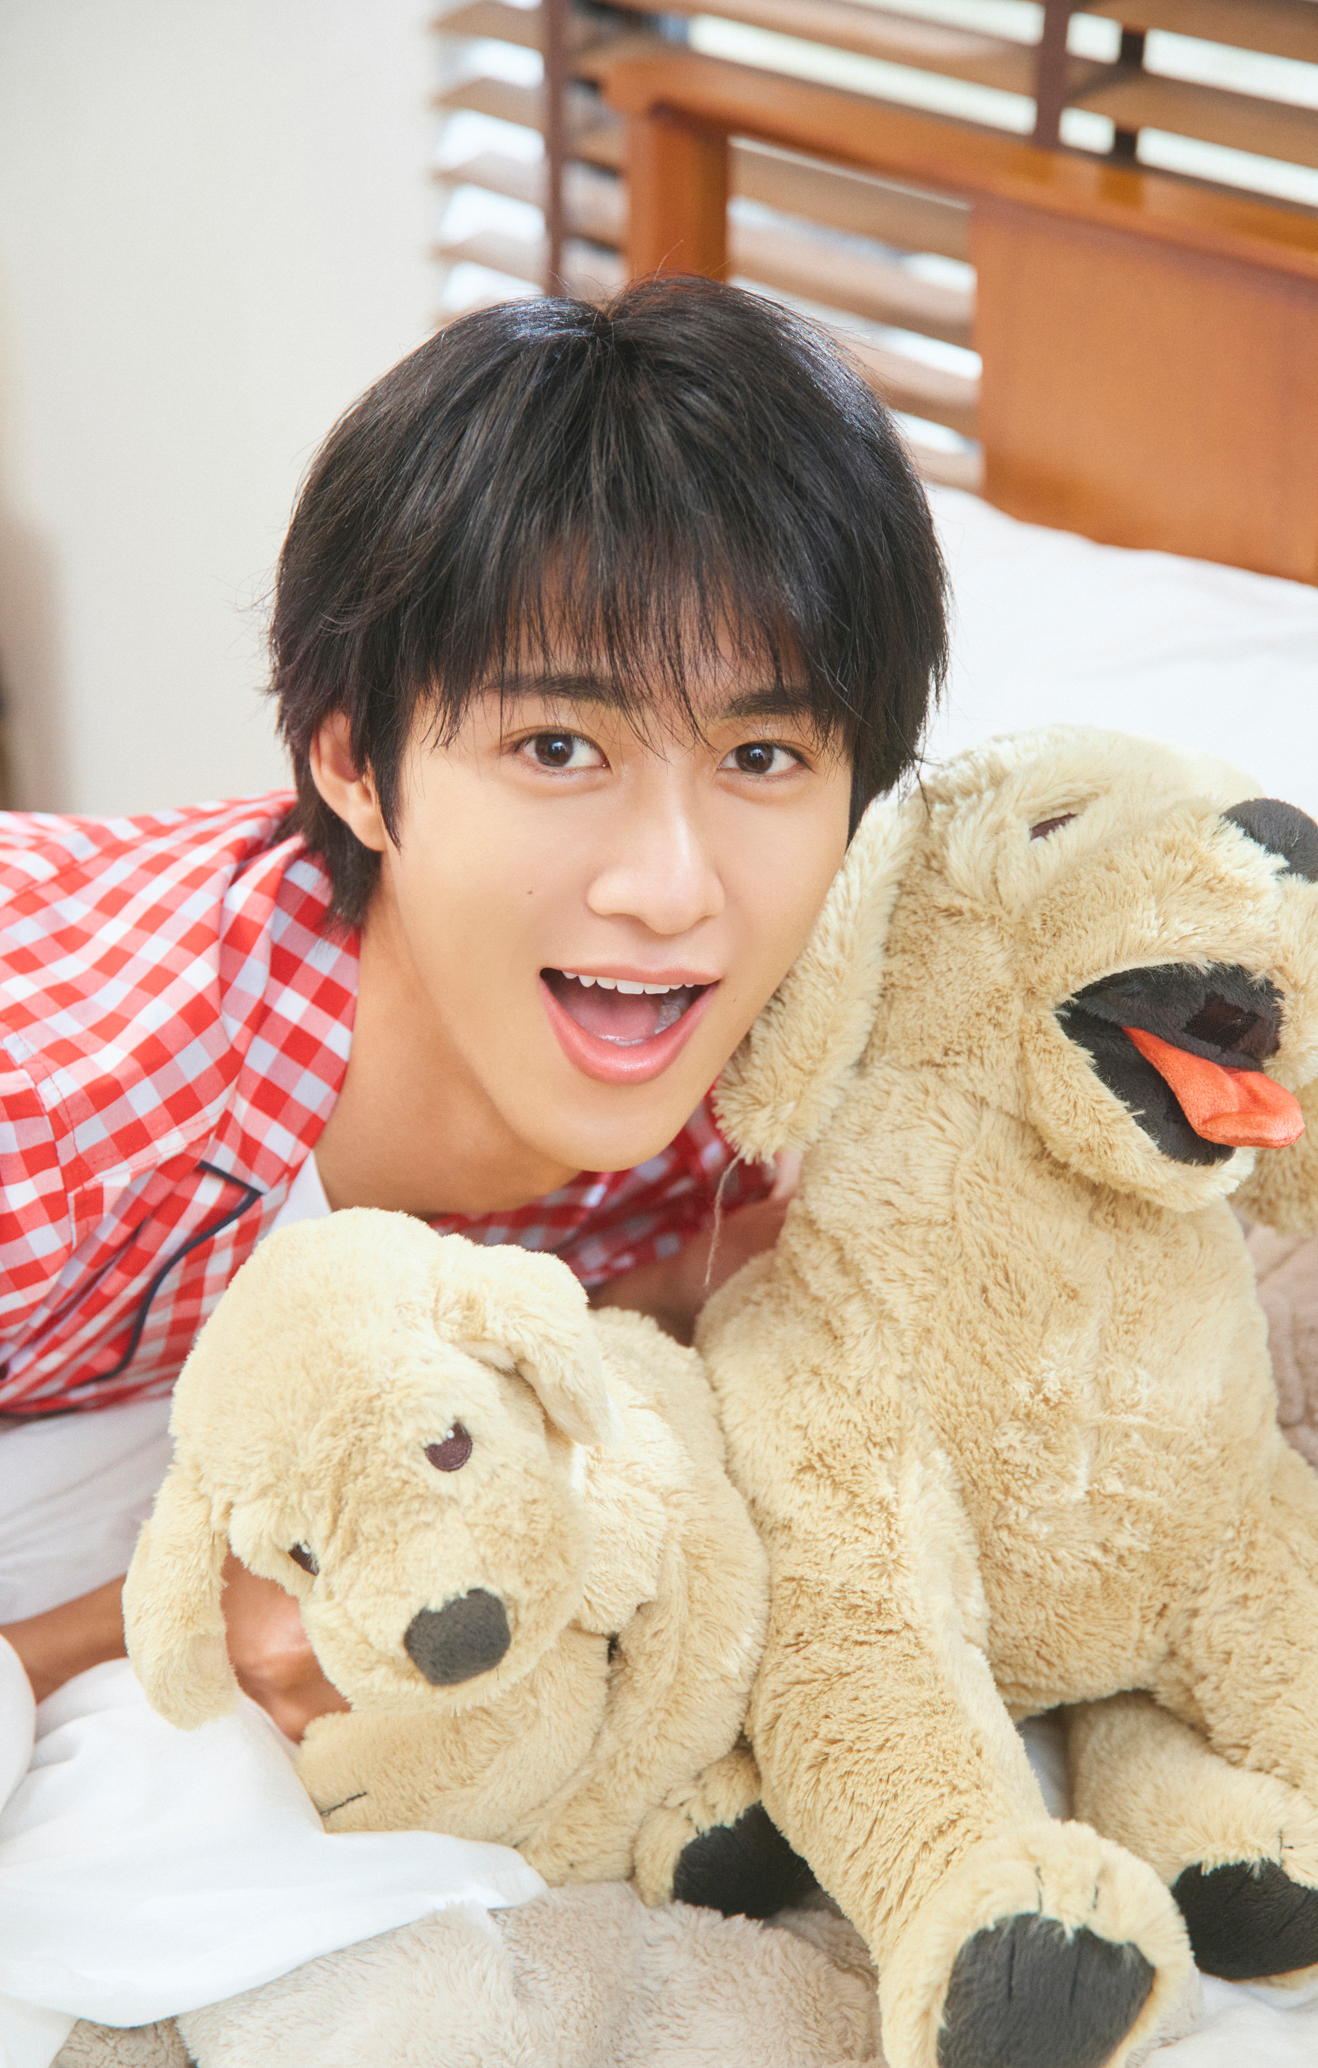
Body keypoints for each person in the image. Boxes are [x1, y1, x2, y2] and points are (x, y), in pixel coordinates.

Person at [0, 275, 947, 1755]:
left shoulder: (793, 1110)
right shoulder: (67, 1115)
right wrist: (160, 1623)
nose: (670, 889)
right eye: (558, 746)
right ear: (354, 767)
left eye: (762, 754)